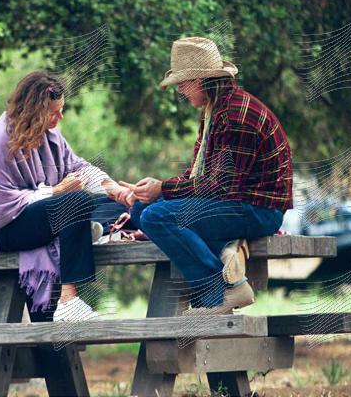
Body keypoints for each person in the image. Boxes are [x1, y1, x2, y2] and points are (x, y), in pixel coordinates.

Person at [121, 37, 293, 314]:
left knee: (156, 217)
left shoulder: (236, 116)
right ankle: (226, 247)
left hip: (258, 210)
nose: (179, 90)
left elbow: (218, 187)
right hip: (233, 202)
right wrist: (152, 191)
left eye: (183, 83)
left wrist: (162, 188)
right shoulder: (214, 110)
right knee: (142, 210)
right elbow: (199, 177)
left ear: (201, 81)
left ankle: (224, 291)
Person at [0, 70, 132, 322]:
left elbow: (79, 168)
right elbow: (0, 207)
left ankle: (84, 230)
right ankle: (69, 301)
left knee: (115, 206)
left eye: (61, 110)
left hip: (44, 215)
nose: (60, 117)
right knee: (76, 203)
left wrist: (117, 190)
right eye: (54, 112)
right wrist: (55, 192)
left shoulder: (50, 134)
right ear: (34, 111)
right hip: (4, 228)